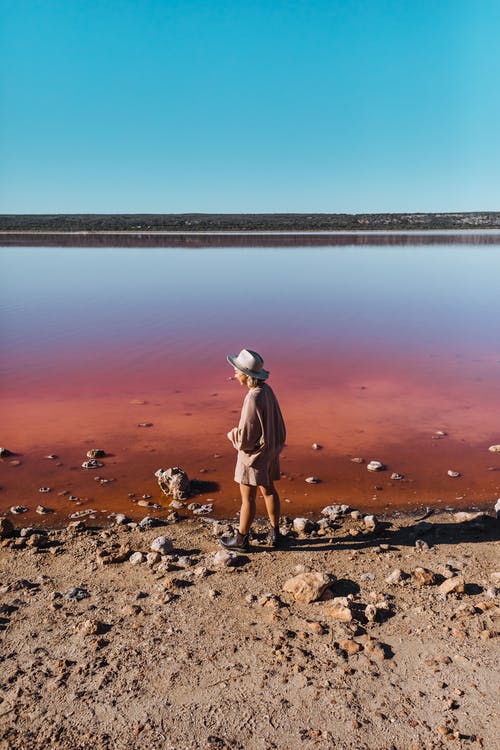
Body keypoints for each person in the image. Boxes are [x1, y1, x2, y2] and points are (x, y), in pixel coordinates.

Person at [220, 348, 286, 551]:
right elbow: (279, 424)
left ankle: (241, 539)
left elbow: (246, 438)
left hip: (253, 457)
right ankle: (275, 533)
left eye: (237, 371)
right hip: (269, 453)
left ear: (246, 376)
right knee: (269, 492)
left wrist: (232, 435)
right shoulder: (267, 391)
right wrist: (274, 448)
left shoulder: (252, 398)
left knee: (247, 499)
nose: (234, 374)